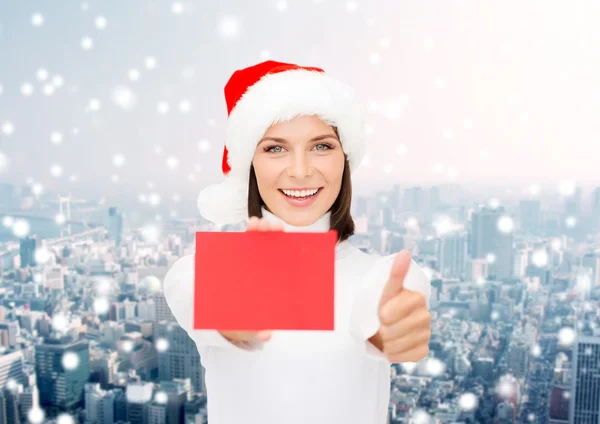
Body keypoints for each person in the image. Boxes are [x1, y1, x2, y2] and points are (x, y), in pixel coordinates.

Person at [162, 60, 432, 424]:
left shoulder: (384, 275)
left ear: (345, 159)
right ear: (249, 164)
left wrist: (391, 329)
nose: (301, 170)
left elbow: (394, 303)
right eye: (275, 148)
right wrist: (231, 309)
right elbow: (192, 293)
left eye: (321, 146)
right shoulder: (199, 271)